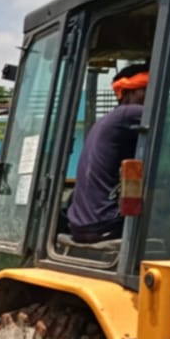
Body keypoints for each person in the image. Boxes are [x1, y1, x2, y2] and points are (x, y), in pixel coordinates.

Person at [67, 64, 149, 243]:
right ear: (127, 93)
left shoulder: (111, 120)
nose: (153, 96)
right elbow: (169, 120)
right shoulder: (129, 114)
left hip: (86, 224)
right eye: (145, 89)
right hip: (105, 223)